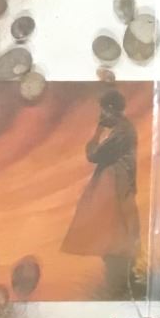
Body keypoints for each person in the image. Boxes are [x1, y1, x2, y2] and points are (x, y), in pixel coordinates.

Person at [61, 88, 140, 298]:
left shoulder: (122, 131)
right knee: (113, 237)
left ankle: (120, 284)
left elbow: (94, 155)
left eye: (103, 110)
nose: (101, 115)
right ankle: (118, 281)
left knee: (116, 238)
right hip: (116, 189)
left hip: (117, 189)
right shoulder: (123, 129)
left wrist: (97, 132)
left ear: (111, 110)